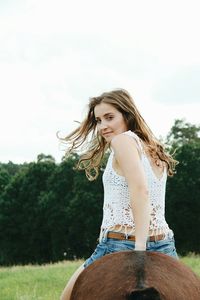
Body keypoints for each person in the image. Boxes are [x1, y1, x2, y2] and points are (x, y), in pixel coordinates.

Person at [59, 89, 179, 300]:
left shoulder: (123, 141)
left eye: (110, 117)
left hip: (121, 244)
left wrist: (139, 252)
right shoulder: (154, 149)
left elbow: (141, 191)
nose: (103, 126)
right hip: (164, 246)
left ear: (127, 115)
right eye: (98, 120)